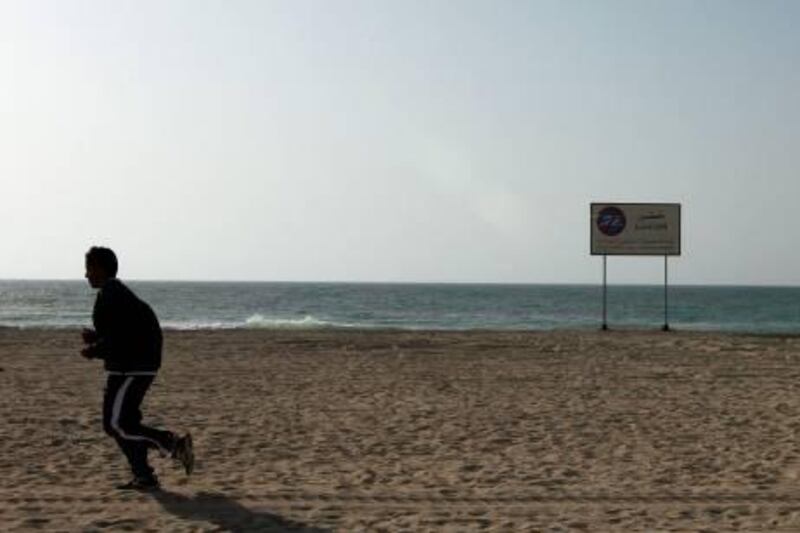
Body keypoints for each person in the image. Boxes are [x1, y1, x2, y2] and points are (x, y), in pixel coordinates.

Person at [81, 246, 194, 491]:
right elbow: (120, 330)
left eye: (89, 268)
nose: (86, 274)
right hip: (128, 365)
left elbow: (121, 337)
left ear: (100, 269)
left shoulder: (113, 293)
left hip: (135, 366)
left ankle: (173, 445)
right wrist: (96, 338)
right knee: (125, 424)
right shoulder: (114, 293)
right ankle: (143, 475)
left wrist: (95, 350)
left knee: (115, 425)